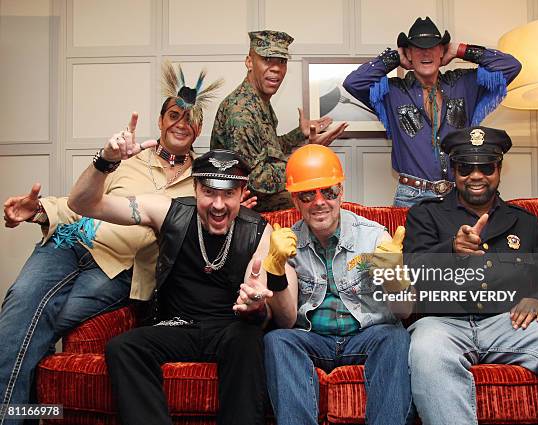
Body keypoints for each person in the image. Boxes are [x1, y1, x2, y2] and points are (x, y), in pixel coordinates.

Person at [0, 61, 221, 424]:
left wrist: (229, 206)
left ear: (198, 128)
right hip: (70, 242)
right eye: (173, 114)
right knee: (23, 305)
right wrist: (39, 209)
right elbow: (80, 203)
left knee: (31, 322)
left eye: (190, 117)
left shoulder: (202, 185)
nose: (181, 122)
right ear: (161, 120)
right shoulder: (129, 158)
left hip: (118, 269)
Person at [68, 145, 292, 425]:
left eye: (228, 194)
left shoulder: (259, 230)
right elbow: (82, 204)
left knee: (248, 340)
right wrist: (105, 161)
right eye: (209, 192)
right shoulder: (168, 211)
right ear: (196, 188)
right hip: (177, 325)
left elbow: (263, 301)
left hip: (230, 328)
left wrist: (255, 307)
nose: (218, 205)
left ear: (241, 192)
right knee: (123, 347)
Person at [403, 126, 538, 424]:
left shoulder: (524, 222)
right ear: (453, 171)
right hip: (442, 323)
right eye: (466, 167)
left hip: (508, 322)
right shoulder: (425, 215)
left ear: (498, 169)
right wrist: (451, 250)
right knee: (427, 352)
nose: (476, 175)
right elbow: (409, 274)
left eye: (486, 166)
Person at [262, 144, 414, 425]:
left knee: (395, 336)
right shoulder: (286, 241)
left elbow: (404, 312)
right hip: (314, 338)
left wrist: (395, 274)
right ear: (295, 201)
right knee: (277, 340)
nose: (319, 202)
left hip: (366, 335)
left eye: (328, 192)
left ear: (341, 193)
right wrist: (276, 268)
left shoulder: (373, 237)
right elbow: (284, 321)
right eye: (308, 194)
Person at [343, 17, 522, 207]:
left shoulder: (464, 84)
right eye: (417, 48)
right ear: (409, 54)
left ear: (442, 52)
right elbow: (353, 82)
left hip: (458, 194)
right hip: (411, 198)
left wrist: (459, 50)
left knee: (464, 238)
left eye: (433, 47)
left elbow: (511, 66)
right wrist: (394, 57)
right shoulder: (391, 91)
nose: (425, 53)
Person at [211, 30, 348, 213]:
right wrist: (306, 155)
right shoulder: (241, 111)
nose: (276, 68)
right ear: (249, 62)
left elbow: (267, 149)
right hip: (244, 209)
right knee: (320, 205)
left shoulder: (257, 100)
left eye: (282, 61)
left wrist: (299, 134)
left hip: (259, 201)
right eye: (267, 59)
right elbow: (256, 179)